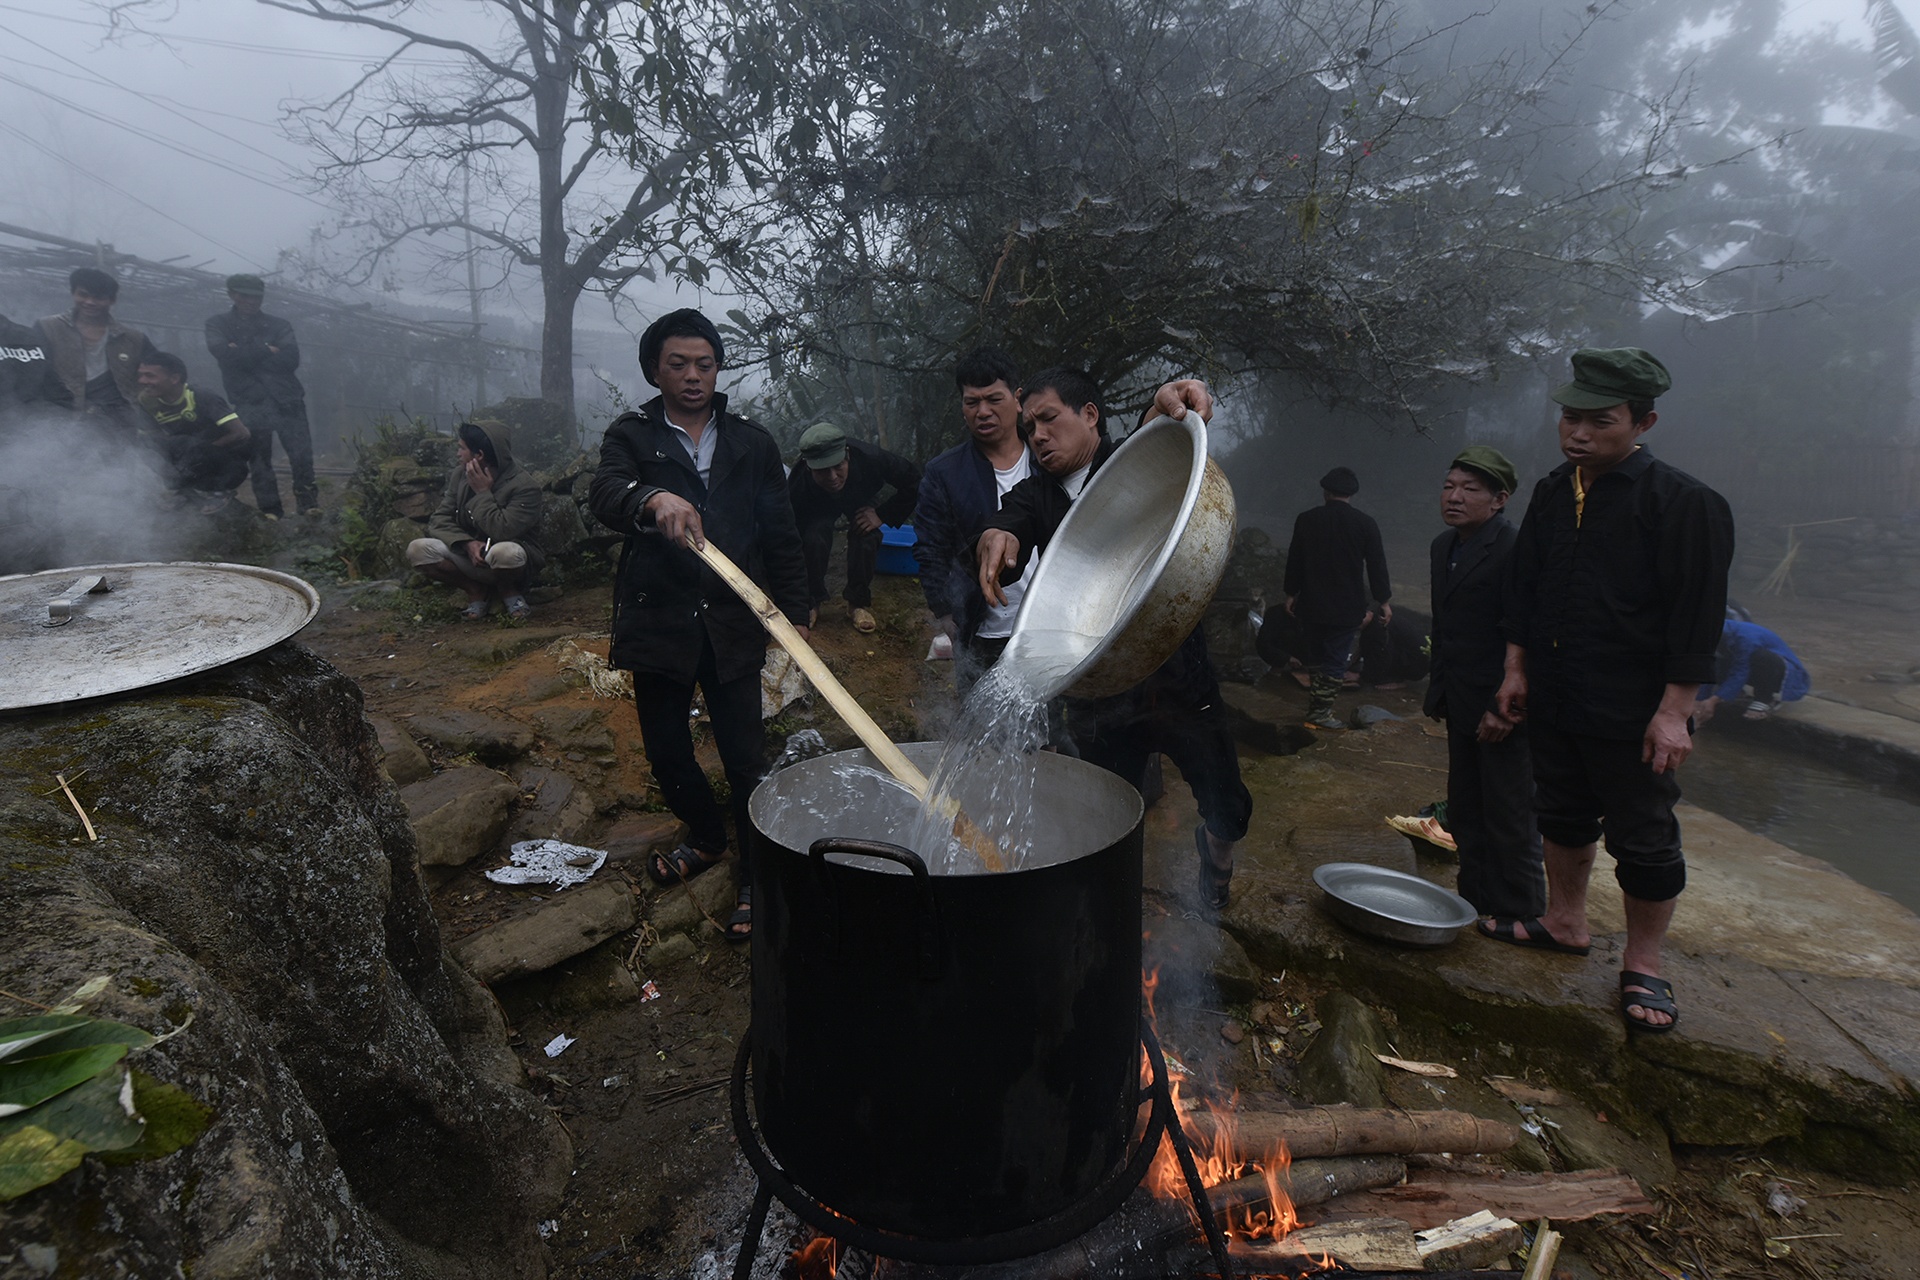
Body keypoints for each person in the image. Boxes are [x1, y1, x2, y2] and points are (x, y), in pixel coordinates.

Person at [1493, 348, 1734, 1034]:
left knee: (1645, 835)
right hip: (1559, 692)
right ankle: (1564, 921)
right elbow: (1526, 590)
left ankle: (1645, 964)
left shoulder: (1685, 504)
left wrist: (1674, 713)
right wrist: (1516, 669)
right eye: (1570, 418)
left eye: (1599, 421)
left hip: (1634, 708)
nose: (1578, 433)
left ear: (1643, 421)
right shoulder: (1550, 492)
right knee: (1563, 814)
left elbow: (1697, 618)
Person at [976, 368, 1252, 910]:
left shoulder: (1129, 467)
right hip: (1099, 695)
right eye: (1029, 427)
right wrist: (996, 534)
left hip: (1179, 682)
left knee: (1227, 805)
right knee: (1102, 811)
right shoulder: (1035, 496)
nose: (1038, 437)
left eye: (1049, 419)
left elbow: (1160, 429)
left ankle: (1217, 860)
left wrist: (1172, 398)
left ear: (1090, 415)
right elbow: (1010, 521)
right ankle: (1106, 905)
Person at [587, 308, 810, 942]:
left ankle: (755, 874)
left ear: (718, 369)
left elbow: (781, 531)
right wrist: (649, 497)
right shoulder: (633, 437)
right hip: (660, 617)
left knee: (745, 757)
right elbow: (604, 492)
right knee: (666, 750)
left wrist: (793, 614)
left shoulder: (752, 441)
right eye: (678, 364)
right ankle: (708, 835)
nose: (693, 376)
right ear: (654, 370)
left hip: (733, 618)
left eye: (704, 364)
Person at [1423, 446, 1544, 922]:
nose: (1454, 497)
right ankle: (1473, 900)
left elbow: (1527, 630)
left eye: (1470, 490)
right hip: (1459, 699)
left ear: (1499, 499)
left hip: (1501, 703)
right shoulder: (1442, 547)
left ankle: (1520, 911)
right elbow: (1446, 624)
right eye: (1449, 486)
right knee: (1467, 809)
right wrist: (1440, 692)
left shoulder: (1515, 549)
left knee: (1511, 814)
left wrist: (1507, 708)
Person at [914, 346, 1035, 687]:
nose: (983, 411)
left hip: (1046, 627)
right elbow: (930, 548)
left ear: (1017, 398)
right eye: (972, 402)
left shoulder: (1047, 458)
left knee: (1050, 734)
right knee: (980, 731)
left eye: (994, 399)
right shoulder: (945, 472)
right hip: (981, 630)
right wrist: (946, 615)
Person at [1282, 467, 1392, 729]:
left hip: (1312, 602)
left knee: (1317, 657)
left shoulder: (1306, 519)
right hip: (1347, 605)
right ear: (1351, 493)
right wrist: (1383, 601)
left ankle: (1316, 709)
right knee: (1335, 658)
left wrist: (1290, 592)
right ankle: (1320, 712)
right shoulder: (1365, 524)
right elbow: (1377, 566)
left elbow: (1295, 559)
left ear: (1325, 491)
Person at [788, 421, 921, 633]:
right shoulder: (797, 485)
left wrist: (881, 514)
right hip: (818, 505)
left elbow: (914, 482)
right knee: (813, 538)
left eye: (838, 466)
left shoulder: (872, 458)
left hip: (859, 496)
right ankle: (811, 602)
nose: (832, 478)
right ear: (808, 466)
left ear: (847, 455)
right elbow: (789, 536)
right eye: (822, 470)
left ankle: (857, 604)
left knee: (866, 536)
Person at [205, 273, 319, 519]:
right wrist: (268, 349)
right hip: (249, 401)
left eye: (256, 296)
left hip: (287, 398)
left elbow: (290, 359)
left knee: (301, 455)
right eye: (244, 295)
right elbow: (224, 355)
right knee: (258, 460)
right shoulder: (217, 324)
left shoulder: (279, 324)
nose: (251, 301)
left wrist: (242, 351)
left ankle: (309, 507)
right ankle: (270, 511)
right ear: (232, 295)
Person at [406, 420, 545, 620]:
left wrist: (482, 493)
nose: (458, 454)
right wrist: (466, 544)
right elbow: (439, 519)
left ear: (479, 455)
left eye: (462, 448)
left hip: (509, 560)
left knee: (505, 553)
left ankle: (508, 590)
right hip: (470, 556)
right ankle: (475, 590)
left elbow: (503, 530)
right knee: (418, 550)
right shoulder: (459, 475)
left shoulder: (525, 487)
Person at [38, 267, 154, 431]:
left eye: (99, 297)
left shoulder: (133, 338)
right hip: (64, 416)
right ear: (73, 294)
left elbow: (156, 372)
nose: (90, 302)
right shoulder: (48, 328)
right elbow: (35, 372)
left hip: (118, 421)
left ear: (112, 300)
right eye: (83, 294)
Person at [133, 351, 251, 512]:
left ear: (174, 378)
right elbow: (149, 439)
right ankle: (182, 492)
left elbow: (241, 433)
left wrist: (200, 450)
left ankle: (217, 492)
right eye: (141, 375)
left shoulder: (201, 397)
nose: (142, 381)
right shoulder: (147, 401)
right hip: (189, 465)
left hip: (227, 466)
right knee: (147, 446)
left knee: (186, 444)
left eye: (150, 376)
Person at [1695, 618, 1809, 722]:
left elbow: (1741, 671)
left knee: (1760, 657)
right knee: (1716, 662)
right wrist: (1700, 700)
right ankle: (1733, 692)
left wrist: (1712, 701)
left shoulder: (1746, 637)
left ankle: (1765, 698)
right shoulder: (1715, 636)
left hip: (1782, 673)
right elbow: (1708, 666)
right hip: (1751, 668)